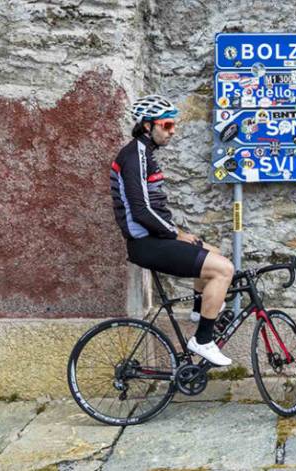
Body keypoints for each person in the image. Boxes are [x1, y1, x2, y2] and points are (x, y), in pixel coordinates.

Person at [110, 94, 233, 366]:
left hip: (153, 238)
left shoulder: (143, 153)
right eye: (166, 125)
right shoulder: (135, 156)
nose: (173, 131)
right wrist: (176, 234)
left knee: (213, 252)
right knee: (223, 269)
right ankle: (202, 340)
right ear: (147, 126)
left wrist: (177, 233)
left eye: (173, 125)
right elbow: (141, 211)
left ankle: (200, 311)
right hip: (145, 243)